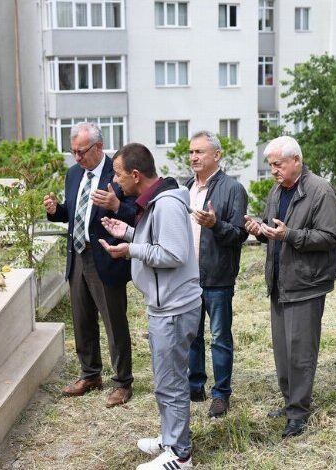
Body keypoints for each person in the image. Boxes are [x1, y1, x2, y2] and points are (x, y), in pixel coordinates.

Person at [99, 143, 201, 470]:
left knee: (171, 382)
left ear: (136, 174)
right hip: (164, 305)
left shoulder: (167, 204)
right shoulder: (155, 200)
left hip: (173, 307)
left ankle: (179, 455)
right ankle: (170, 437)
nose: (115, 183)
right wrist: (128, 231)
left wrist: (131, 249)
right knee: (165, 380)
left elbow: (173, 254)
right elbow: (156, 240)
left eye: (117, 175)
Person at [243, 135, 336, 438]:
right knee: (283, 352)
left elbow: (329, 237)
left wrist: (290, 236)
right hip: (280, 282)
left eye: (278, 164)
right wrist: (258, 230)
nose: (273, 170)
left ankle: (299, 412)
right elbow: (272, 229)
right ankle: (289, 403)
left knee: (300, 352)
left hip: (306, 284)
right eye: (271, 165)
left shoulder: (320, 190)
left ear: (296, 160)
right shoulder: (277, 190)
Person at [43, 122, 136, 408]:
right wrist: (56, 211)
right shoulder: (74, 174)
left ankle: (122, 382)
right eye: (72, 152)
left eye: (81, 152)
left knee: (113, 321)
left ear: (98, 147)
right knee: (82, 319)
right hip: (78, 255)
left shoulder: (117, 174)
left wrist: (115, 205)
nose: (77, 158)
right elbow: (74, 212)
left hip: (106, 257)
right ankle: (90, 374)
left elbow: (137, 214)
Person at [185, 131, 248, 418]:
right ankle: (194, 385)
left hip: (218, 278)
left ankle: (221, 394)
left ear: (217, 155)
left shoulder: (233, 189)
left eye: (200, 152)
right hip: (187, 277)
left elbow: (238, 234)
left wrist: (215, 224)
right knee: (192, 336)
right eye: (191, 152)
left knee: (220, 336)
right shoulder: (186, 188)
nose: (194, 157)